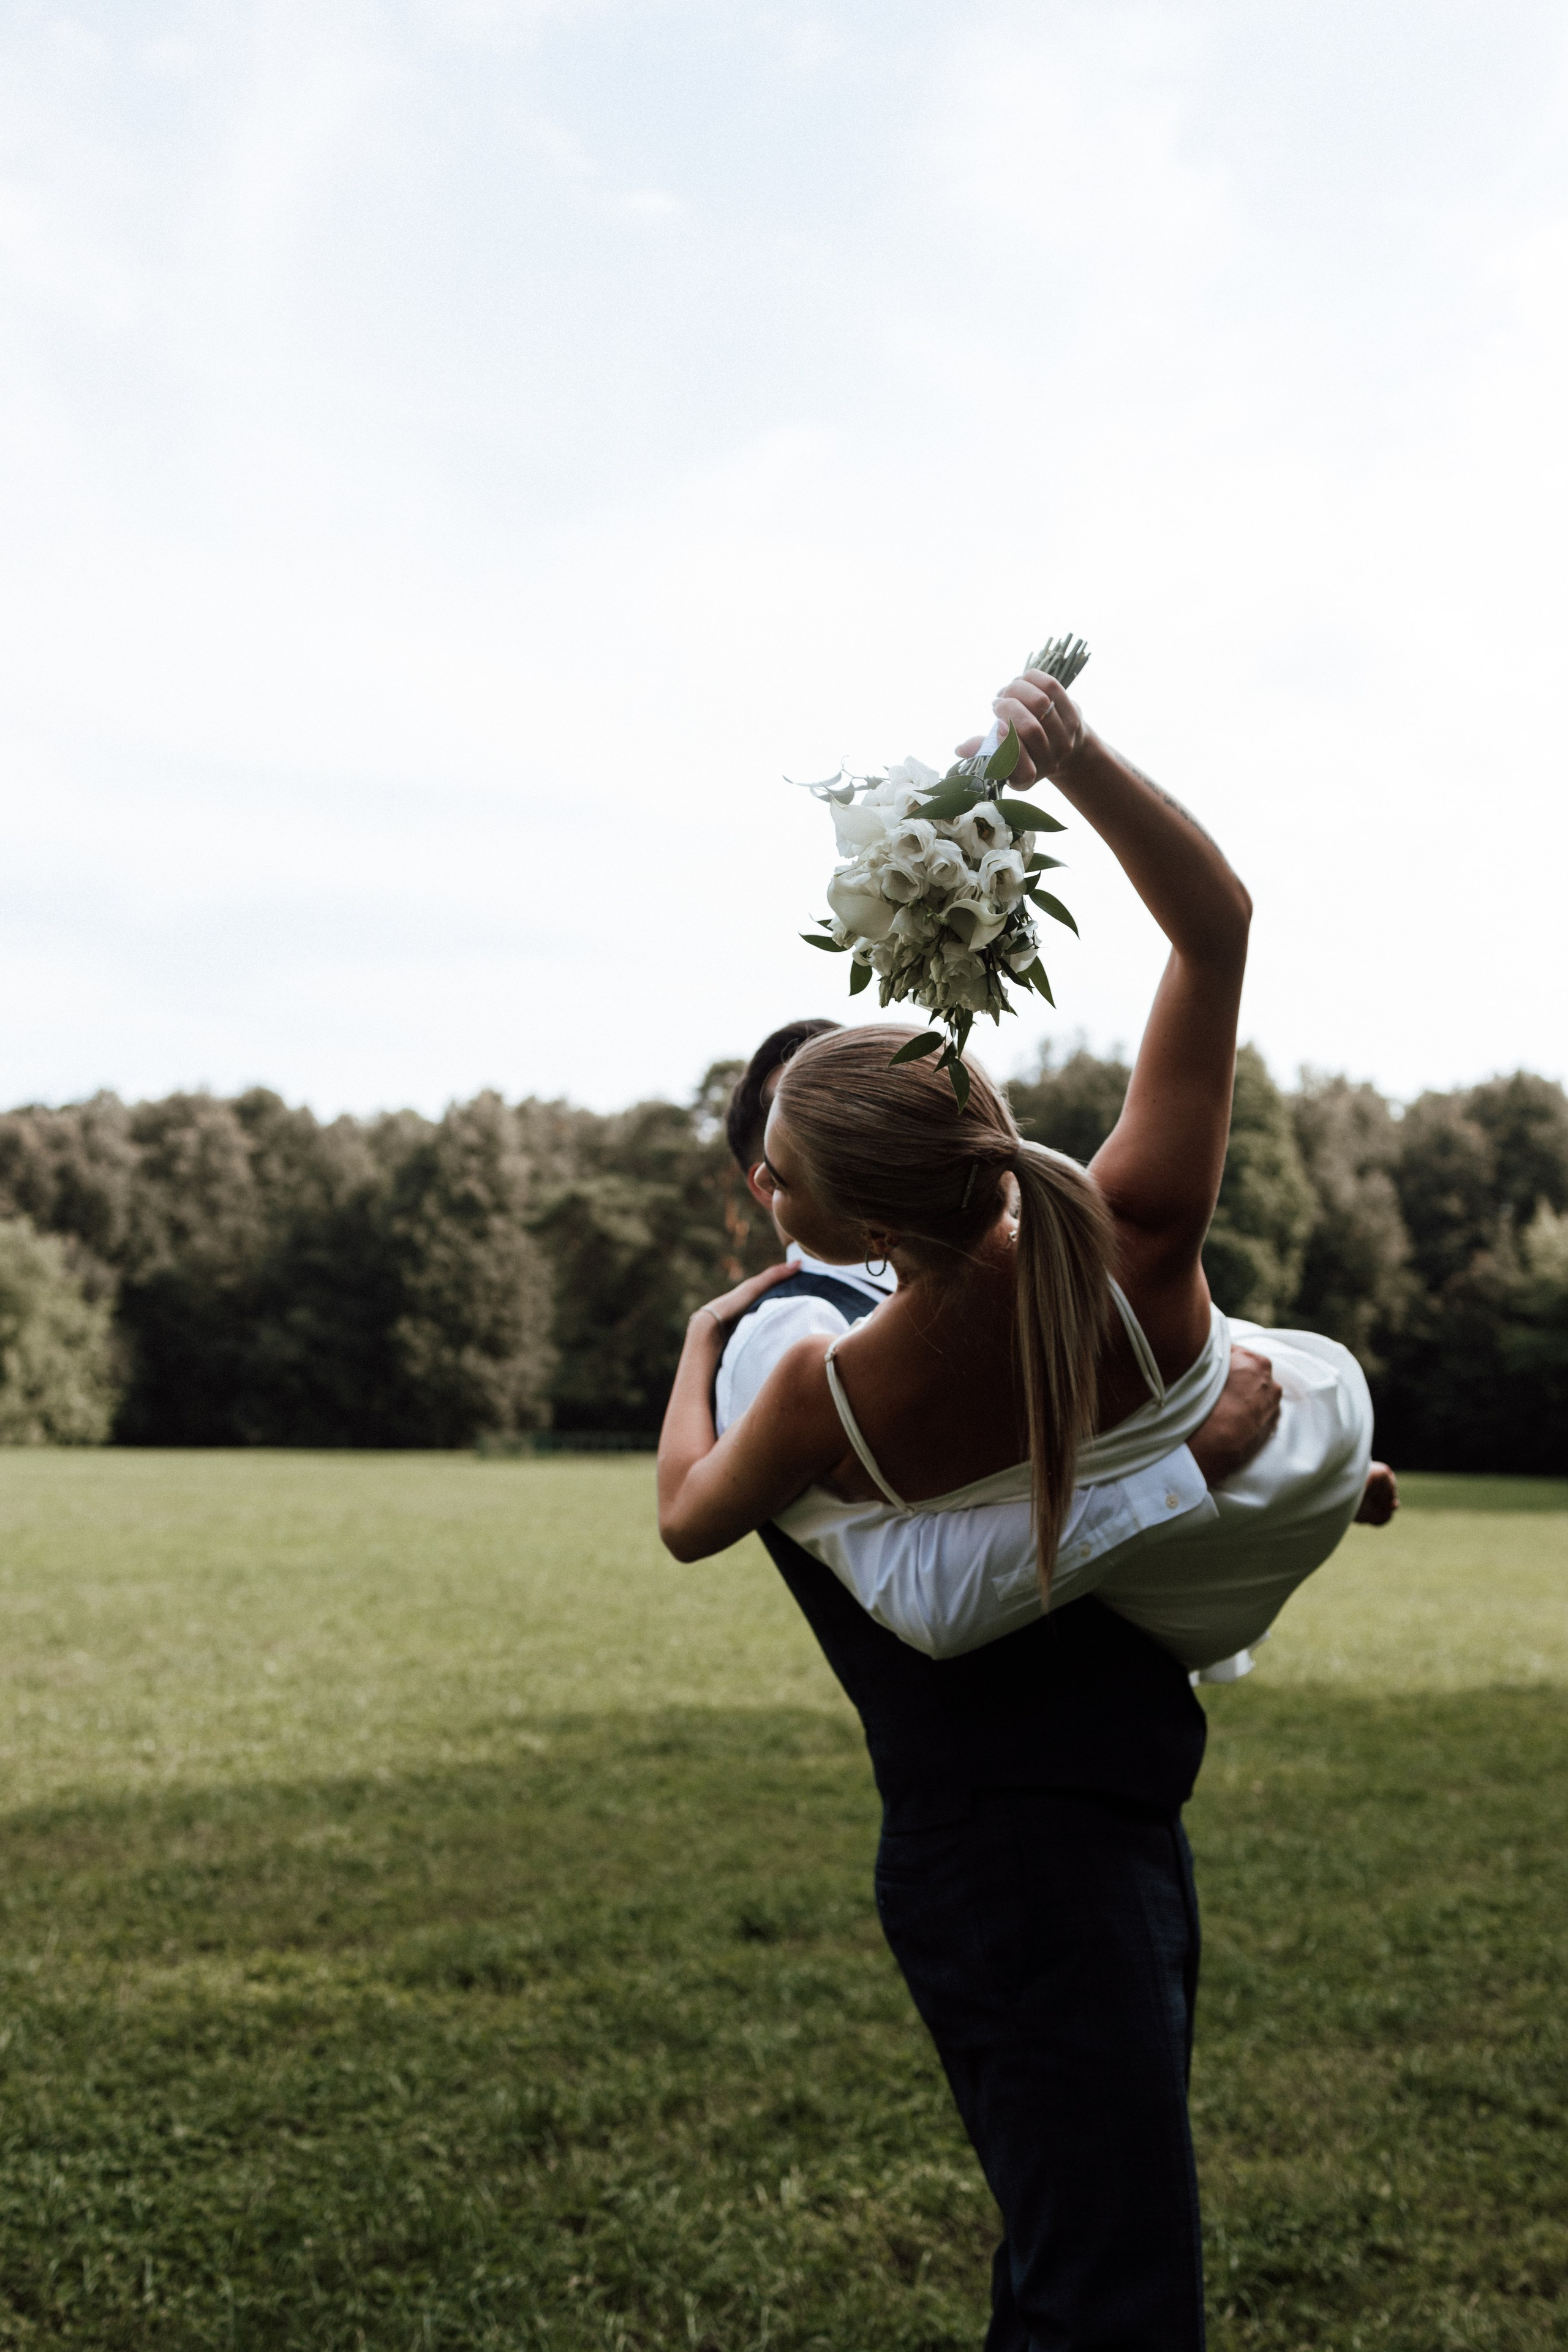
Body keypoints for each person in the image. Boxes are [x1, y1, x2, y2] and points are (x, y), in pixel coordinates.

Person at [657, 665, 1395, 2350]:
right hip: (1036, 1859)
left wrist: (702, 1344)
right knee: (1110, 2286)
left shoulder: (825, 1388)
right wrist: (1078, 766)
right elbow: (1218, 928)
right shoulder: (1137, 1233)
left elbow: (697, 1521)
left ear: (811, 1207)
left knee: (1080, 2261)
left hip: (1063, 1839)